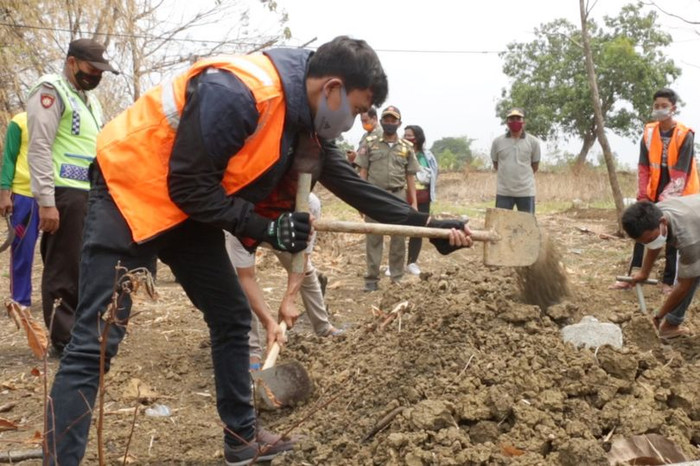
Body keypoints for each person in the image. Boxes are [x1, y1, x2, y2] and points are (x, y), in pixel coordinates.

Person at [45, 36, 472, 466]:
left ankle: (241, 438)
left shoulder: (305, 114)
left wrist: (429, 227)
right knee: (95, 342)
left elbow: (352, 185)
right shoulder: (239, 93)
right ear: (333, 89)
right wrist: (267, 228)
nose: (354, 122)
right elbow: (188, 185)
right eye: (358, 110)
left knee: (231, 318)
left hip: (187, 207)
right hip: (131, 192)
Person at [26, 38, 118, 354]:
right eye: (92, 69)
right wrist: (46, 201)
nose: (97, 75)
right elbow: (39, 146)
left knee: (85, 266)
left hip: (88, 194)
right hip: (64, 194)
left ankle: (81, 332)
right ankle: (63, 339)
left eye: (101, 70)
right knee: (63, 267)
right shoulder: (51, 91)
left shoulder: (89, 101)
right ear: (72, 62)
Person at [225, 193, 341, 370]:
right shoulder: (237, 208)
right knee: (238, 285)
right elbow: (245, 277)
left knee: (306, 273)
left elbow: (301, 260)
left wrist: (290, 299)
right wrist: (269, 322)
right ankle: (252, 351)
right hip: (246, 228)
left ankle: (324, 328)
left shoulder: (308, 205)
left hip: (287, 233)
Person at [611, 88, 698, 293]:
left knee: (671, 236)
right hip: (654, 188)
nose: (659, 109)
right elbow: (643, 167)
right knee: (641, 231)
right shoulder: (649, 132)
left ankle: (669, 281)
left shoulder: (685, 134)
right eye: (656, 106)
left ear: (673, 108)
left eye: (664, 106)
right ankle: (633, 274)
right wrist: (643, 196)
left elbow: (680, 174)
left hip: (680, 192)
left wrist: (662, 204)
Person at [355, 105, 419, 291]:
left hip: (398, 196)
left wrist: (413, 202)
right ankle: (371, 280)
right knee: (374, 239)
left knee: (398, 238)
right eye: (387, 120)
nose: (390, 123)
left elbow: (410, 177)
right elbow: (363, 172)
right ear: (382, 121)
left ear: (399, 123)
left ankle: (397, 278)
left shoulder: (407, 148)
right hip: (375, 195)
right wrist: (360, 199)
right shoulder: (370, 143)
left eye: (393, 120)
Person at [623, 197, 700, 339]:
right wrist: (644, 272)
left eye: (650, 239)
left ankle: (670, 324)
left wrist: (658, 316)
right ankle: (671, 325)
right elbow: (655, 242)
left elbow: (684, 285)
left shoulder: (689, 240)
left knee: (692, 274)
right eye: (643, 242)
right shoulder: (654, 213)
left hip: (695, 229)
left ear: (663, 222)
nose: (649, 244)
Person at [0, 112, 40, 309]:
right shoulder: (20, 121)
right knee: (22, 249)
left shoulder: (63, 119)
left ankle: (61, 298)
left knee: (61, 251)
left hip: (58, 193)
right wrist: (4, 193)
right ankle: (20, 300)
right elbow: (9, 158)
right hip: (24, 195)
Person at [490, 107, 540, 214]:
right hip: (504, 192)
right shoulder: (497, 142)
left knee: (527, 227)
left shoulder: (533, 142)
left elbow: (535, 166)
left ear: (524, 122)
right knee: (501, 226)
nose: (515, 121)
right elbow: (496, 164)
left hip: (526, 192)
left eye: (518, 118)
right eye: (511, 119)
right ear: (507, 122)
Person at [403, 125, 438, 276]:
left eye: (409, 135)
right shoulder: (401, 153)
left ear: (417, 138)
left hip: (423, 197)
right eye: (404, 135)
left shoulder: (427, 156)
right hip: (403, 196)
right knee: (399, 229)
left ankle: (411, 262)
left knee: (418, 230)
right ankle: (395, 263)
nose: (406, 137)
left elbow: (435, 173)